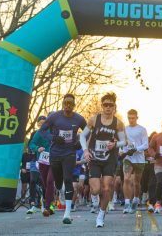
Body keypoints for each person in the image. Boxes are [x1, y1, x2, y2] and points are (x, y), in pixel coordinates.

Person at [80, 92, 127, 228]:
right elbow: (82, 136)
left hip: (109, 158)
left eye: (110, 105)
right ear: (102, 106)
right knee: (95, 190)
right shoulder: (94, 120)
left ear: (114, 107)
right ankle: (99, 199)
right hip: (94, 157)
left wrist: (115, 144)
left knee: (107, 188)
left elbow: (124, 141)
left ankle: (101, 214)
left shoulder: (118, 123)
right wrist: (85, 150)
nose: (108, 107)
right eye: (105, 105)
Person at [39, 94, 87, 224]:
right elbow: (42, 131)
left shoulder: (79, 119)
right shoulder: (54, 117)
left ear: (74, 105)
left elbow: (89, 133)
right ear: (62, 103)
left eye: (70, 103)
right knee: (59, 182)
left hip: (70, 153)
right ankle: (59, 190)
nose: (68, 106)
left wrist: (80, 142)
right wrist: (53, 138)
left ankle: (67, 213)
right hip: (55, 154)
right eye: (66, 103)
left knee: (68, 179)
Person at [121, 109, 149, 214]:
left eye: (133, 118)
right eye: (129, 118)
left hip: (139, 159)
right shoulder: (124, 129)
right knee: (127, 179)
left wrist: (136, 149)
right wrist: (122, 152)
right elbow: (122, 143)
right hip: (128, 158)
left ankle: (136, 199)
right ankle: (127, 202)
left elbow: (146, 145)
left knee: (136, 182)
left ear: (137, 118)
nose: (131, 120)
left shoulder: (142, 129)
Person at [30, 115, 55, 217]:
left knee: (50, 181)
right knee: (45, 183)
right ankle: (46, 200)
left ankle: (49, 205)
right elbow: (32, 144)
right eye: (41, 123)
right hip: (42, 160)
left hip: (54, 160)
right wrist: (37, 148)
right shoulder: (38, 133)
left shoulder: (54, 131)